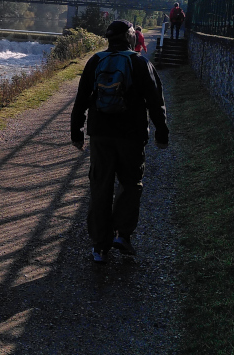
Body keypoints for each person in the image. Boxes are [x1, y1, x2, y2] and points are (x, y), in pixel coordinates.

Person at [70, 19, 169, 263]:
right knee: (131, 184)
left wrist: (77, 131)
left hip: (100, 134)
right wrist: (161, 132)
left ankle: (99, 246)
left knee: (100, 186)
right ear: (129, 37)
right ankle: (122, 235)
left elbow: (81, 98)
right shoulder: (139, 62)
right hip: (131, 135)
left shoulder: (95, 61)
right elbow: (155, 100)